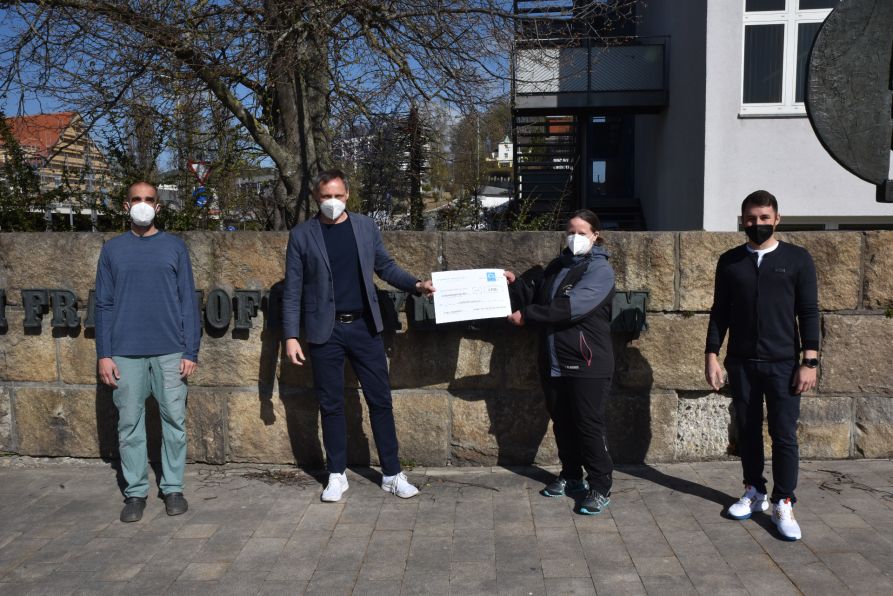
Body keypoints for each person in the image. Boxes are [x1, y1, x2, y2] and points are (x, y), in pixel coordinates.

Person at [282, 169, 435, 502]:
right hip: (326, 330)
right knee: (332, 404)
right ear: (315, 198)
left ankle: (393, 474)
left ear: (347, 195)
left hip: (365, 327)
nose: (332, 202)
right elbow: (292, 290)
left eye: (337, 195)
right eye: (325, 197)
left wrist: (416, 284)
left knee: (380, 400)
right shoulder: (302, 236)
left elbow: (384, 266)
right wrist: (291, 336)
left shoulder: (365, 227)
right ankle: (336, 474)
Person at [705, 190, 819, 541]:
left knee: (784, 435)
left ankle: (783, 500)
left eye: (764, 218)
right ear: (743, 221)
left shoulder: (797, 259)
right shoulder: (730, 261)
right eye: (751, 219)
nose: (757, 224)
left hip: (784, 364)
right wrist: (711, 354)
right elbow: (719, 311)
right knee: (749, 432)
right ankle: (754, 491)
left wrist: (809, 360)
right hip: (741, 363)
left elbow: (809, 312)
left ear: (777, 219)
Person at [95, 181, 201, 523]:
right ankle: (136, 493)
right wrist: (104, 354)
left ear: (159, 205)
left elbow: (188, 301)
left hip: (171, 351)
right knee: (129, 425)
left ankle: (173, 488)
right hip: (125, 352)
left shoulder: (175, 248)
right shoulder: (112, 251)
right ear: (126, 205)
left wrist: (191, 350)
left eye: (149, 200)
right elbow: (103, 304)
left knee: (174, 422)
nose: (143, 205)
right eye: (137, 199)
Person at [505, 209, 615, 515]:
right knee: (563, 422)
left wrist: (526, 316)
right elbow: (539, 298)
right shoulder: (558, 265)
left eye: (582, 232)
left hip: (587, 361)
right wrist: (516, 284)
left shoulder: (600, 271)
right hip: (553, 359)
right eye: (571, 231)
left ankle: (600, 485)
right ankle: (571, 476)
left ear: (596, 235)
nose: (575, 237)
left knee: (588, 425)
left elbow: (570, 308)